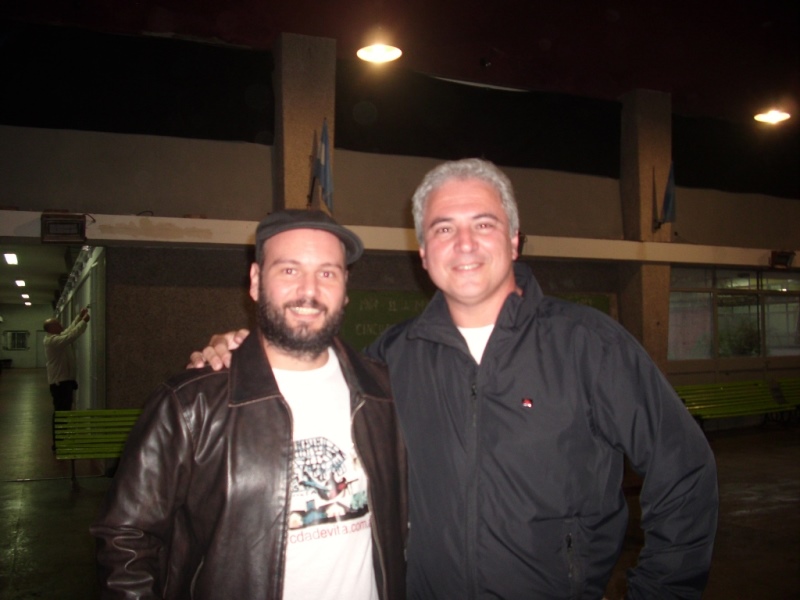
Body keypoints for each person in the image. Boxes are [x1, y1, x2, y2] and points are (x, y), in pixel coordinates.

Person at [191, 159, 719, 599]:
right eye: (443, 229)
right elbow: (305, 368)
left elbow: (685, 471)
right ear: (423, 252)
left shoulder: (589, 345)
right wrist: (241, 353)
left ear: (514, 240)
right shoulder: (390, 359)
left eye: (483, 224)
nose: (464, 244)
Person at [92, 209, 407, 600]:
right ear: (256, 282)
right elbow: (126, 541)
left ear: (345, 288)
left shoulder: (385, 393)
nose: (309, 290)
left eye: (327, 273)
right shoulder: (191, 404)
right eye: (289, 270)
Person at [44, 306, 90, 449]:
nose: (61, 325)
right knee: (61, 413)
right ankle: (58, 443)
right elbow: (71, 336)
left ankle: (61, 440)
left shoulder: (56, 338)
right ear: (51, 328)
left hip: (63, 382)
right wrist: (84, 322)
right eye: (57, 324)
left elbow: (68, 331)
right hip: (60, 384)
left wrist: (79, 317)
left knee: (63, 412)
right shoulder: (53, 341)